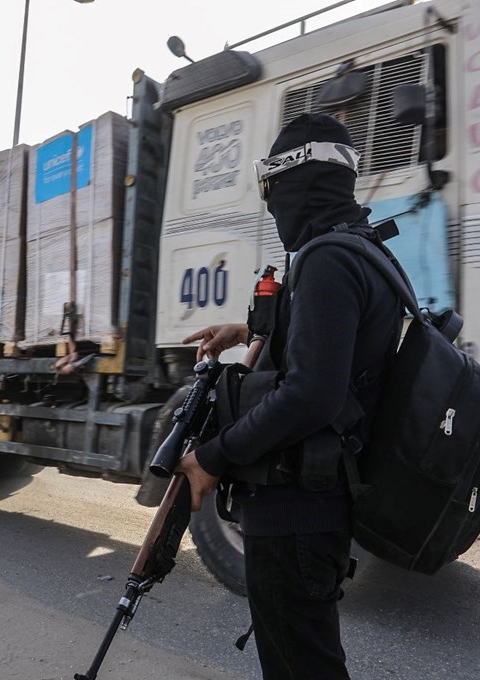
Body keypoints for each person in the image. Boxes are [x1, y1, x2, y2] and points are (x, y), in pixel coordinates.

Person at [177, 113, 402, 679]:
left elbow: (311, 395)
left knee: (301, 668)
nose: (273, 209)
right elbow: (337, 356)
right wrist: (252, 330)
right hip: (320, 505)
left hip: (297, 507)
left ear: (296, 185)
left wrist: (213, 455)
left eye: (272, 192)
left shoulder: (327, 259)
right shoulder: (366, 250)